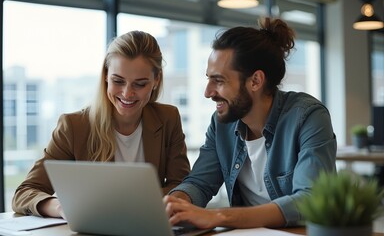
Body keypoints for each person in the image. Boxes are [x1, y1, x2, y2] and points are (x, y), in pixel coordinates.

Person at [164, 18, 337, 229]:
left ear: (255, 81)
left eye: (218, 81)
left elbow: (310, 199)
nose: (208, 92)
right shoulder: (221, 124)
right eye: (208, 79)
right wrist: (178, 202)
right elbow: (199, 183)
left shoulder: (308, 116)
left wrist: (221, 217)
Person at [12, 30, 190, 218]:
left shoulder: (168, 118)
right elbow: (25, 192)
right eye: (118, 81)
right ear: (105, 75)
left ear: (156, 80)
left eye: (140, 84)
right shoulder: (73, 126)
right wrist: (62, 208)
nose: (127, 94)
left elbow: (182, 186)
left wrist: (133, 204)